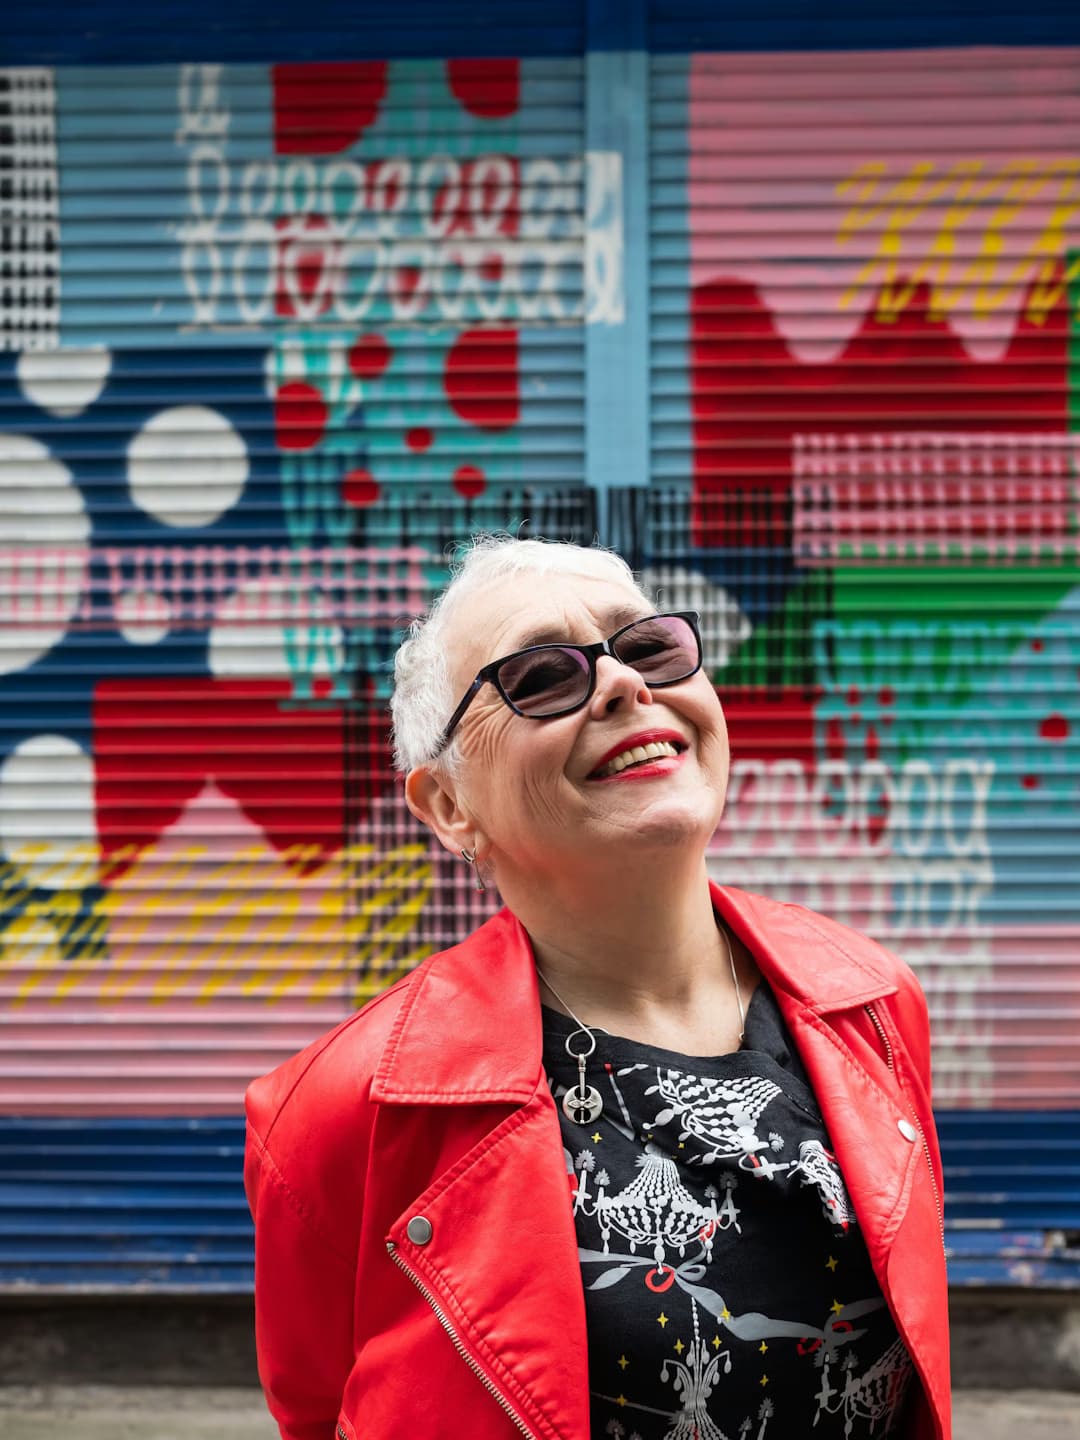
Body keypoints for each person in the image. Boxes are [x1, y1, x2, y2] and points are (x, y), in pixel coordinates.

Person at [244, 534, 950, 1440]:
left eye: (648, 646)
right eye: (540, 678)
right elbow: (319, 1409)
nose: (623, 682)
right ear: (449, 805)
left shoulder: (873, 1003)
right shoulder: (348, 1106)